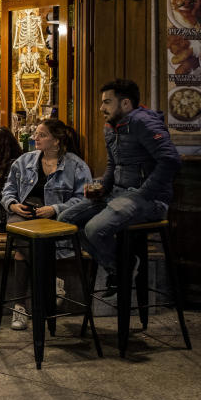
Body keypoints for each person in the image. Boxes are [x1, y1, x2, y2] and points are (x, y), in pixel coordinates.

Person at [60, 79, 181, 295]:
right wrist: (102, 187)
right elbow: (112, 164)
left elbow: (170, 160)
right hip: (117, 194)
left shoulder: (143, 122)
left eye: (107, 102)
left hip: (150, 199)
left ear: (125, 104)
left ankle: (122, 267)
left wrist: (143, 193)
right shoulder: (111, 127)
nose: (101, 108)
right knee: (66, 220)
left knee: (94, 229)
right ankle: (118, 267)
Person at [0, 118, 91, 330]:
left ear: (56, 141)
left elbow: (85, 199)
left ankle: (19, 306)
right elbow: (8, 190)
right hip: (23, 214)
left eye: (42, 135)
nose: (35, 138)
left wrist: (55, 209)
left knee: (21, 251)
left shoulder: (76, 166)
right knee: (22, 234)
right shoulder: (24, 161)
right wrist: (13, 205)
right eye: (36, 134)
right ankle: (52, 283)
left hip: (55, 219)